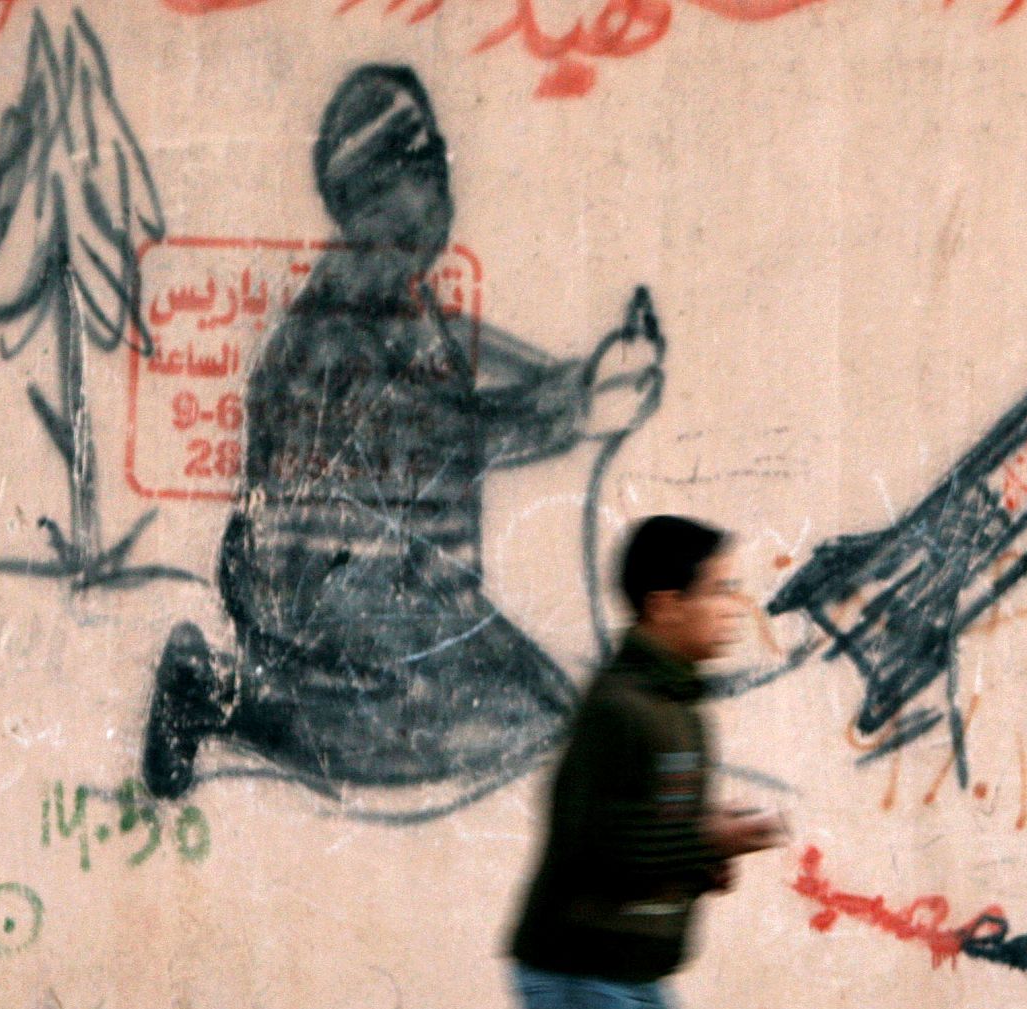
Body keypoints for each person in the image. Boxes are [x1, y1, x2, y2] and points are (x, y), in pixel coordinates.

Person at [141, 64, 663, 801]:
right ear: (378, 197)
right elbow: (447, 438)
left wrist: (579, 380)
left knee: (544, 708)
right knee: (489, 726)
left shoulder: (396, 306)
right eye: (424, 172)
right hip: (323, 595)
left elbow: (460, 379)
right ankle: (211, 697)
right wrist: (572, 407)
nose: (441, 194)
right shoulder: (335, 332)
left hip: (398, 583)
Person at [508, 515, 787, 1009]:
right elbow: (593, 841)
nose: (734, 606)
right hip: (585, 976)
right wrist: (706, 842)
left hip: (631, 975)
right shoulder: (620, 706)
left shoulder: (676, 706)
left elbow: (650, 832)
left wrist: (701, 862)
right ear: (664, 605)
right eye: (717, 590)